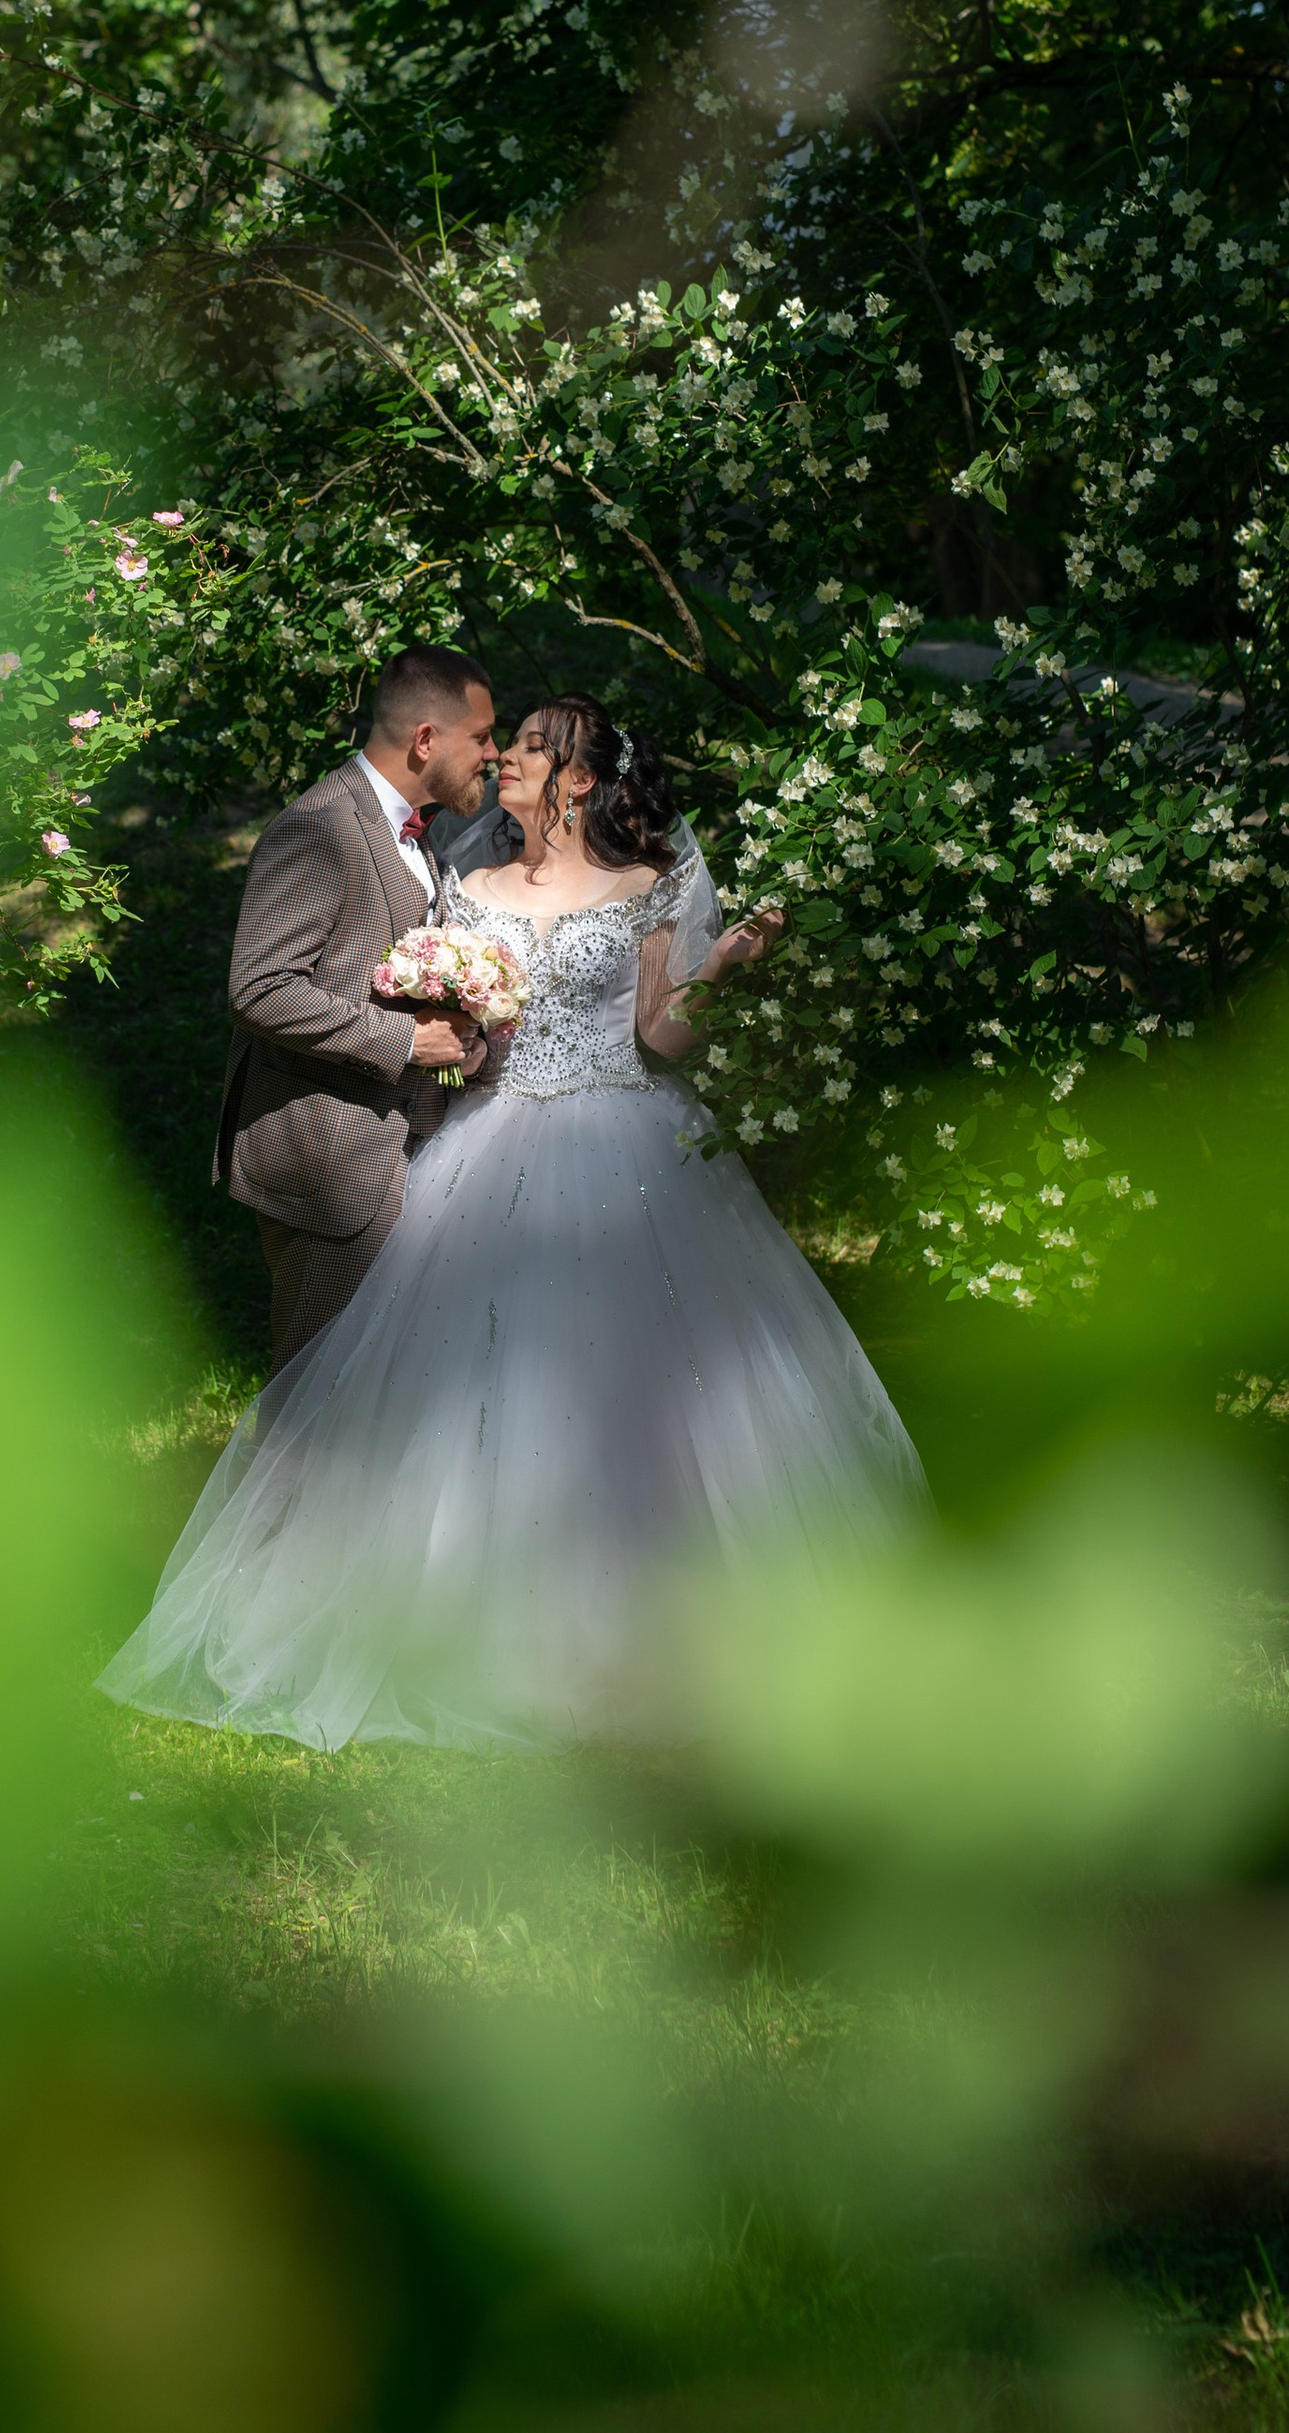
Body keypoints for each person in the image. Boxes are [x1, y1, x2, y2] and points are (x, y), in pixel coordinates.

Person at [106, 694, 926, 1750]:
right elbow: (472, 1040)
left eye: (528, 751)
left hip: (626, 1145)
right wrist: (447, 1020)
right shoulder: (467, 882)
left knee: (643, 1391)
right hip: (484, 1144)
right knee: (460, 1378)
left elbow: (663, 1036)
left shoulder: (642, 887)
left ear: (579, 780)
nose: (504, 764)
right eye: (505, 747)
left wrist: (718, 973)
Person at [211, 644, 502, 1367]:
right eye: (483, 737)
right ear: (425, 739)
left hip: (403, 1155)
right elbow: (260, 986)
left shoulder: (420, 838)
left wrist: (462, 1038)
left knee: (382, 1392)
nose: (494, 755)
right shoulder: (318, 827)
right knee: (318, 1398)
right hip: (331, 1166)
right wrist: (406, 1042)